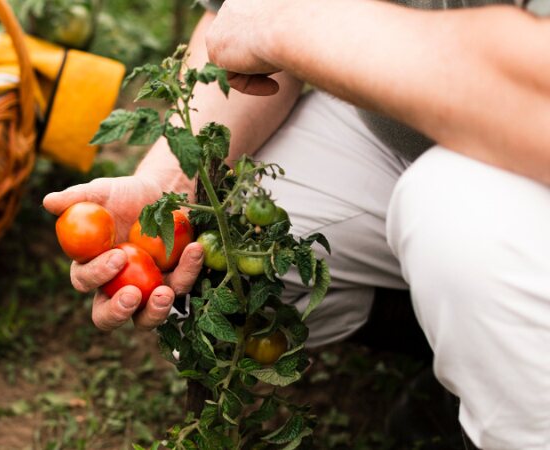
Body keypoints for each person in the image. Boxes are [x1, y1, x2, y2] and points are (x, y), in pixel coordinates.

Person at [43, 0, 550, 448]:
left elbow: (537, 89)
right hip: (393, 121)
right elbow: (241, 27)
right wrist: (172, 188)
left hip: (529, 151)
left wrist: (287, 22)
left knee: (455, 215)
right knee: (221, 262)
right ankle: (463, 356)